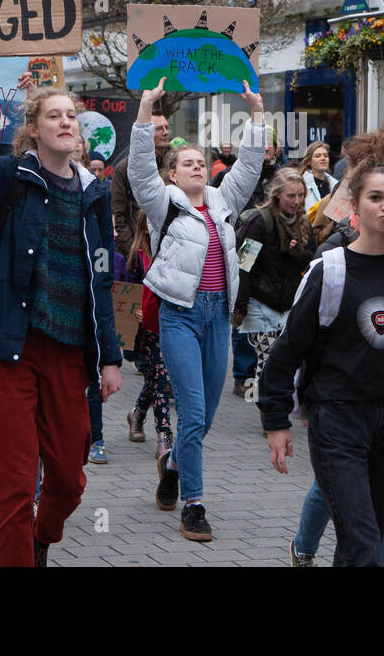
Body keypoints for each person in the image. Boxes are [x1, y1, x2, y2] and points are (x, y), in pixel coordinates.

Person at [0, 60, 122, 567]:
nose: (66, 123)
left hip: (67, 355)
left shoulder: (94, 196)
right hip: (6, 350)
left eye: (72, 117)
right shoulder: (10, 175)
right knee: (14, 486)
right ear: (34, 130)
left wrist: (110, 357)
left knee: (68, 478)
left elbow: (101, 280)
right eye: (54, 116)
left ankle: (44, 533)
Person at [259, 147, 384, 566]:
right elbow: (287, 351)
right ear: (355, 205)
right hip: (337, 418)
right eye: (376, 197)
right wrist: (275, 420)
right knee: (364, 541)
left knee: (368, 536)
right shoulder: (329, 270)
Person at [128, 76, 265, 542]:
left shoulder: (224, 203)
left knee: (204, 417)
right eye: (187, 163)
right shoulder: (161, 203)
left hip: (217, 315)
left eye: (201, 163)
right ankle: (195, 503)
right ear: (172, 173)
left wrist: (258, 113)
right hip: (179, 315)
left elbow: (248, 167)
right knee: (191, 408)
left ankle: (170, 468)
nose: (197, 168)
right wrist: (145, 110)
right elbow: (141, 171)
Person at [233, 167, 316, 386]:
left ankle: (273, 406)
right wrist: (240, 307)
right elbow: (244, 265)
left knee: (286, 362)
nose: (296, 201)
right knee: (268, 361)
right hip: (262, 303)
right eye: (291, 195)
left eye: (300, 195)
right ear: (277, 194)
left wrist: (299, 254)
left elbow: (313, 261)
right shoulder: (259, 222)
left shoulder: (304, 222)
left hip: (290, 304)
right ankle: (268, 412)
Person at [123, 211, 173, 458]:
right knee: (160, 378)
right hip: (146, 330)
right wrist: (135, 310)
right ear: (145, 229)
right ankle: (164, 435)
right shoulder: (136, 258)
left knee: (157, 378)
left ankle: (138, 413)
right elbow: (127, 293)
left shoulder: (170, 252)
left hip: (168, 324)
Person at [112, 108, 170, 255]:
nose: (165, 132)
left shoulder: (176, 165)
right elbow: (118, 216)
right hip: (141, 250)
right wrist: (134, 251)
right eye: (159, 129)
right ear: (147, 133)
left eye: (166, 127)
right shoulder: (124, 168)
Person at [300, 140, 337, 212]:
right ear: (308, 161)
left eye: (325, 156)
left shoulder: (335, 184)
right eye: (318, 156)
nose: (323, 158)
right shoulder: (301, 184)